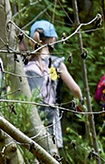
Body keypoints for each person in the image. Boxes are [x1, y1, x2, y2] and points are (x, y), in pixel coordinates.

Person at [21, 20, 83, 152]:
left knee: (34, 154)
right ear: (53, 39)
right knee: (51, 155)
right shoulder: (56, 63)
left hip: (31, 113)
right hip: (50, 114)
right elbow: (75, 89)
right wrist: (80, 102)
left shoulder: (25, 63)